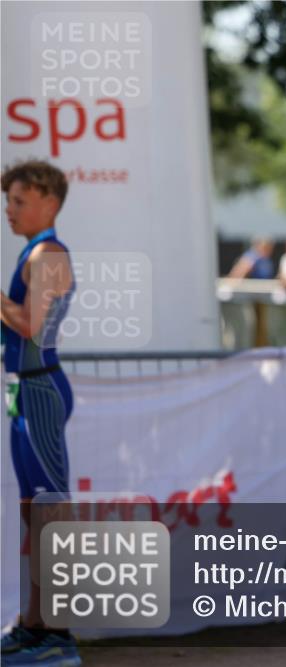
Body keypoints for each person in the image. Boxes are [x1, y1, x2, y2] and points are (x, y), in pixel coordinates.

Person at [1, 160, 82, 666]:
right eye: (7, 202)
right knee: (35, 513)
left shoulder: (49, 253)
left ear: (49, 203)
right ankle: (35, 625)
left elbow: (30, 326)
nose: (9, 212)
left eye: (18, 201)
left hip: (41, 393)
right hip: (23, 391)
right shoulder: (34, 252)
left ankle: (57, 633)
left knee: (51, 513)